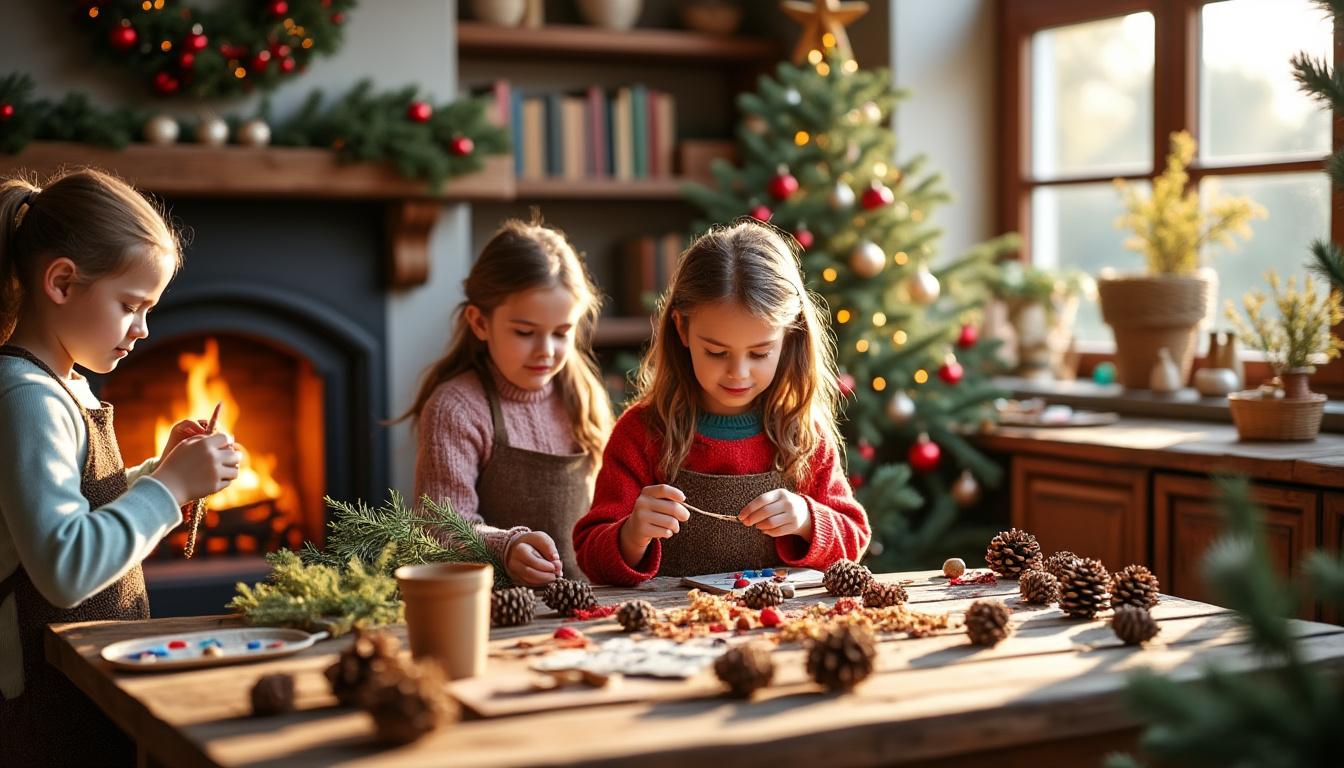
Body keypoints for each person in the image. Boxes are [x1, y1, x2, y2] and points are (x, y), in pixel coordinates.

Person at [0, 169, 242, 766]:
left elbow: (78, 511)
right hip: (41, 694)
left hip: (79, 677)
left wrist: (155, 472)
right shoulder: (27, 397)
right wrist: (169, 488)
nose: (142, 330)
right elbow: (63, 567)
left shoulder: (65, 386)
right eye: (130, 306)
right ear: (61, 281)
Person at [574, 219, 869, 586]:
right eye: (716, 352)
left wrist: (808, 520)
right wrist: (631, 535)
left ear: (789, 336)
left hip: (776, 631)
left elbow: (853, 536)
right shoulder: (642, 433)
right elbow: (590, 553)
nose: (738, 374)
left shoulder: (802, 433)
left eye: (760, 353)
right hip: (671, 631)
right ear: (681, 329)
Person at [400, 218, 612, 585]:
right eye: (525, 332)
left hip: (585, 608)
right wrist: (506, 547)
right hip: (496, 612)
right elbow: (439, 528)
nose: (546, 351)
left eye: (562, 333)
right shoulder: (457, 407)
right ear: (480, 323)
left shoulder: (581, 395)